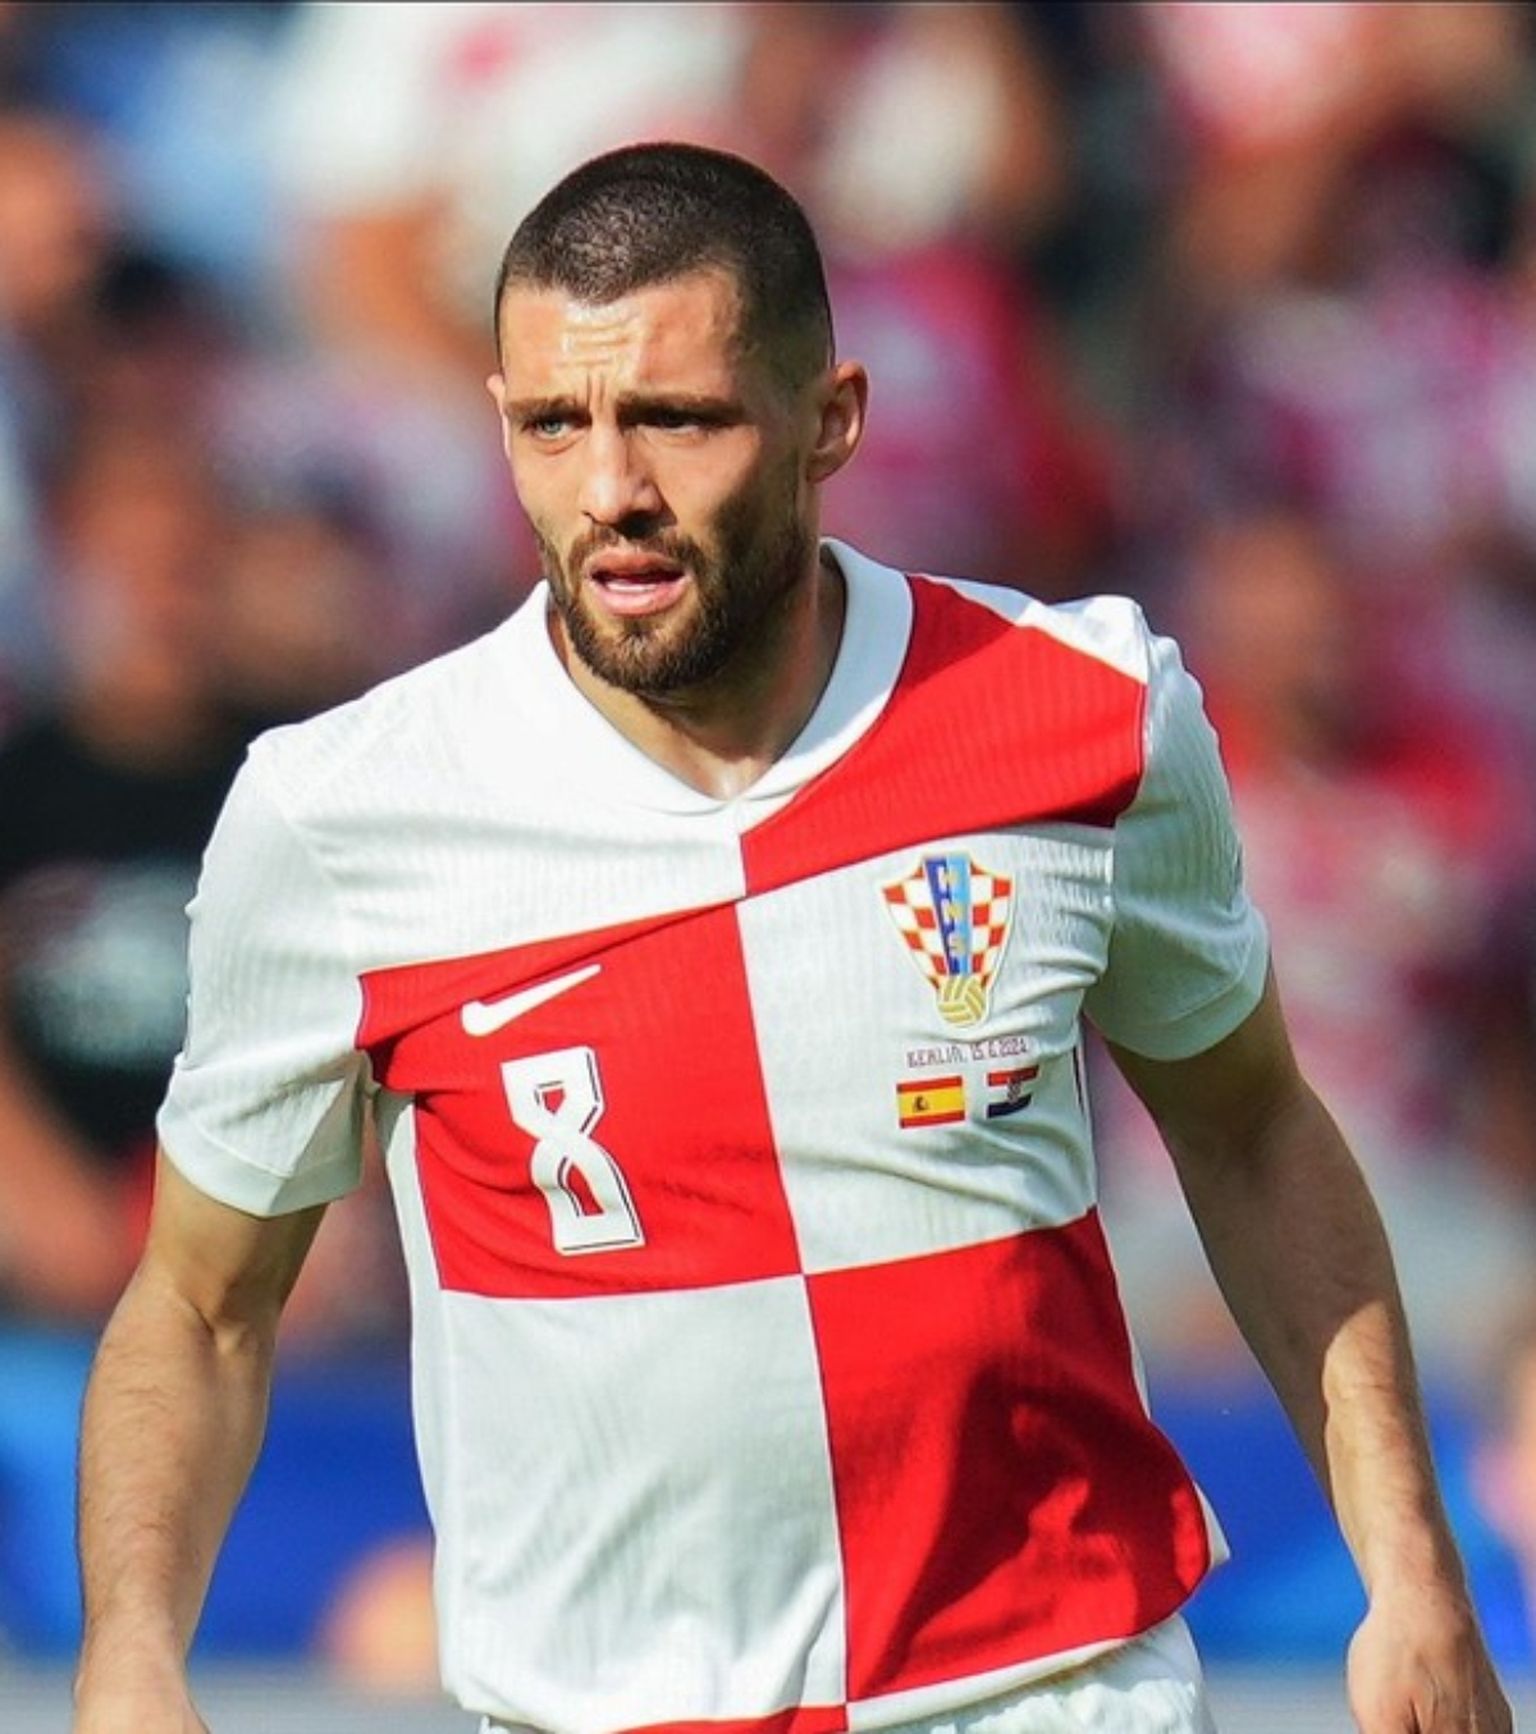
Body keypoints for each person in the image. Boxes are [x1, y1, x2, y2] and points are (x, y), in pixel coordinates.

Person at [72, 143, 1509, 1734]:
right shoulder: (346, 814)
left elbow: (1253, 1133)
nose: (611, 488)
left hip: (1047, 1690)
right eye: (555, 423)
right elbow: (200, 1304)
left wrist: (1413, 1568)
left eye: (677, 418)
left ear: (832, 418)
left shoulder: (1084, 712)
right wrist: (130, 1653)